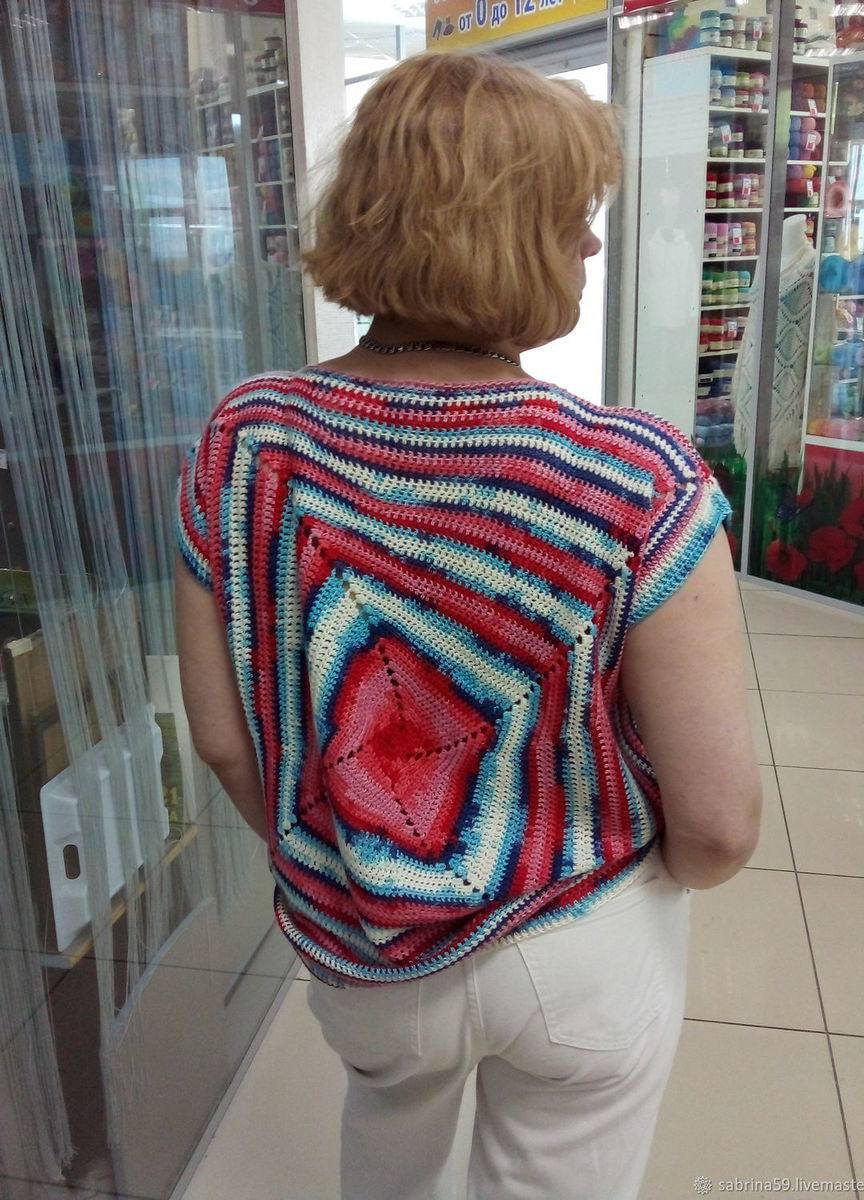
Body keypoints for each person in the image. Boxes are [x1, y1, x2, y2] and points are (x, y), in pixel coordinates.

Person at [175, 51, 762, 1200]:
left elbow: (221, 739)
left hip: (359, 943)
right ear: (511, 231)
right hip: (581, 943)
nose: (592, 244)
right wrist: (634, 894)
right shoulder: (635, 475)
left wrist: (347, 857)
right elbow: (718, 822)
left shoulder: (249, 439)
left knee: (386, 1137)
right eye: (573, 215)